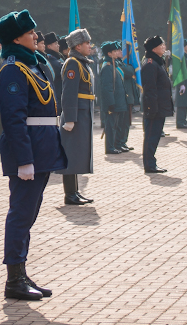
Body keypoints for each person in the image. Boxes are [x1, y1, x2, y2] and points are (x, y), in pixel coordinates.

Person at [0, 10, 67, 301]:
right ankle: (14, 279)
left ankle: (21, 273)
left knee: (28, 215)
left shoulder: (34, 66)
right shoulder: (13, 70)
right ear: (16, 38)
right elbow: (13, 118)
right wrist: (24, 159)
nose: (36, 36)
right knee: (21, 214)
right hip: (30, 150)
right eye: (30, 33)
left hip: (43, 147)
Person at [58, 28, 96, 200]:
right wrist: (70, 118)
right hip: (76, 116)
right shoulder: (72, 63)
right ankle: (70, 194)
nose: (90, 46)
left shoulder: (81, 62)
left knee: (77, 154)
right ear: (78, 46)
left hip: (83, 114)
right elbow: (69, 93)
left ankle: (75, 191)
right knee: (71, 153)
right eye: (87, 43)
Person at [140, 36, 171, 174]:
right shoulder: (150, 64)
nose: (164, 47)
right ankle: (149, 164)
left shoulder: (157, 62)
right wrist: (151, 108)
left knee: (155, 135)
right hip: (154, 107)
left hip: (159, 106)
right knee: (151, 136)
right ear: (154, 49)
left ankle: (151, 162)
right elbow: (150, 89)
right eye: (161, 45)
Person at [99, 42, 128, 154]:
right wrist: (111, 102)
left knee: (117, 125)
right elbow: (107, 87)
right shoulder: (107, 67)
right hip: (113, 102)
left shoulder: (114, 64)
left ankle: (116, 144)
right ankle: (110, 147)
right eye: (114, 51)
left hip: (118, 101)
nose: (117, 52)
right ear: (109, 53)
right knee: (110, 126)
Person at [43, 32, 64, 113]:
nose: (58, 45)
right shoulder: (51, 60)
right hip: (57, 97)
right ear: (49, 46)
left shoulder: (56, 57)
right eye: (55, 44)